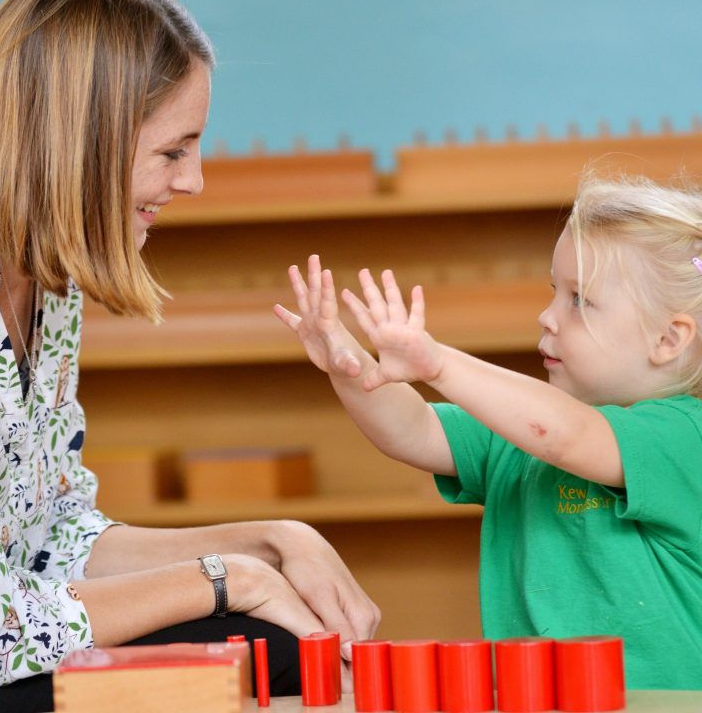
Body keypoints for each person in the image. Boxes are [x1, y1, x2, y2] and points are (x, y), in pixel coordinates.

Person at [0, 0, 379, 712]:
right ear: (83, 142)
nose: (195, 180)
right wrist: (226, 575)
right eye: (174, 151)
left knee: (268, 646)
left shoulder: (48, 278)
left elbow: (55, 538)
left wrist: (271, 540)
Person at [275, 174, 702, 690]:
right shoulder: (517, 431)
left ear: (668, 339)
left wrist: (436, 363)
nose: (546, 317)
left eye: (579, 300)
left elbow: (568, 437)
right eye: (553, 292)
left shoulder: (683, 436)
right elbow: (414, 430)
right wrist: (347, 366)